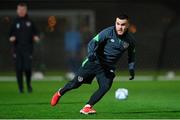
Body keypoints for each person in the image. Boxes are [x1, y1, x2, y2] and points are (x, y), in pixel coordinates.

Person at [50, 14, 136, 114]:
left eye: (123, 24)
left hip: (108, 67)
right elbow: (92, 42)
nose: (120, 27)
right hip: (94, 61)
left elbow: (131, 56)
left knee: (105, 87)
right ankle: (60, 92)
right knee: (75, 84)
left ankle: (87, 107)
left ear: (128, 25)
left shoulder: (130, 40)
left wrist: (131, 69)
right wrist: (91, 54)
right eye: (118, 24)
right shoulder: (108, 32)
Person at [9, 3, 40, 93]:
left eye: (23, 9)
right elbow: (10, 35)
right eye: (20, 9)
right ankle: (20, 88)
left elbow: (36, 33)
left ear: (26, 10)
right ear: (17, 10)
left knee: (27, 68)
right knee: (18, 69)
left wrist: (36, 37)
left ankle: (28, 85)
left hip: (28, 49)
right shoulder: (14, 22)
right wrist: (11, 38)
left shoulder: (30, 22)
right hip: (17, 49)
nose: (21, 11)